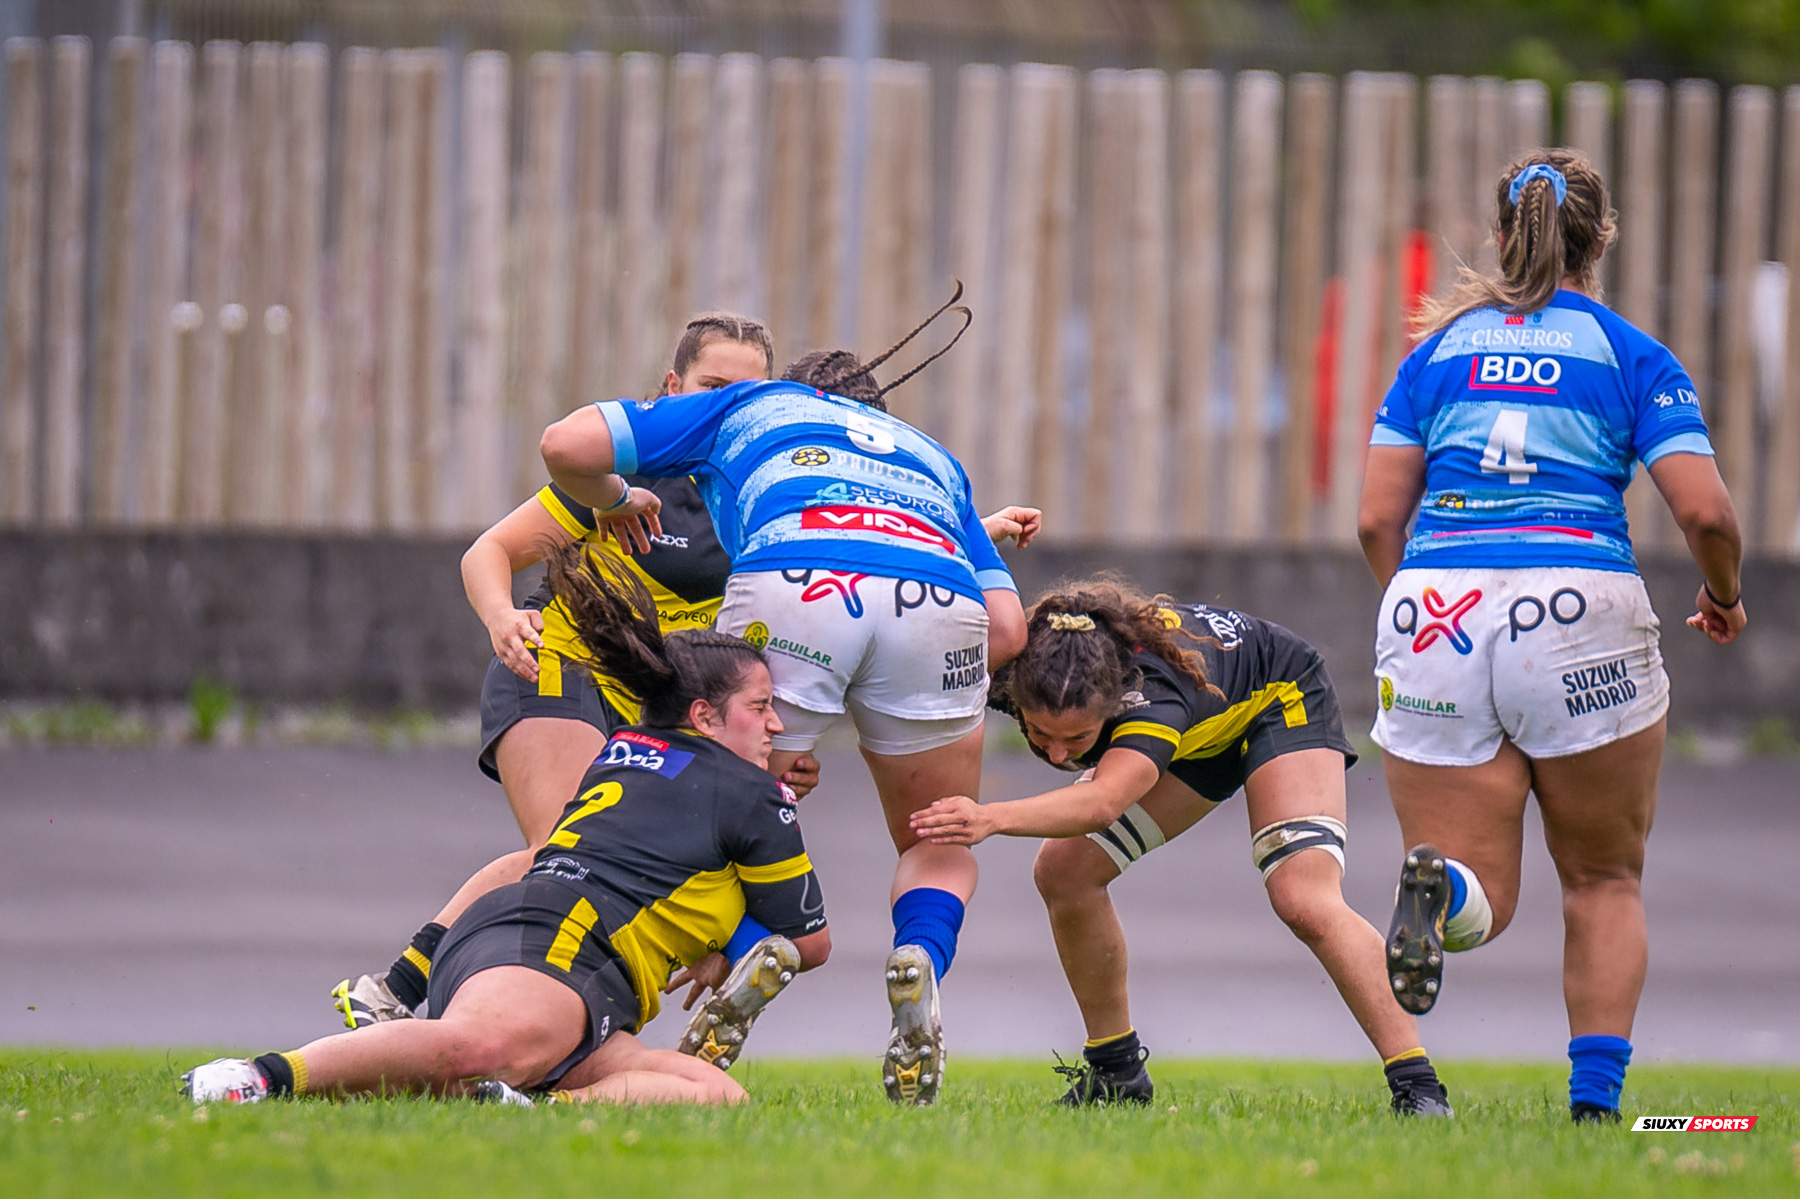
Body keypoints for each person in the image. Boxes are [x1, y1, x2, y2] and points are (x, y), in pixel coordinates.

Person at [538, 291, 1031, 1105]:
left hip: (796, 582)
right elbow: (1006, 629)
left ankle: (744, 942)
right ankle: (918, 956)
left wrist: (618, 499)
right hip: (940, 605)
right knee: (939, 835)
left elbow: (565, 444)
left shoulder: (748, 404)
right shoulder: (933, 455)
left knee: (715, 803)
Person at [1356, 149, 1746, 1124]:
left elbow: (1372, 520)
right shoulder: (1628, 353)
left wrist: (1421, 608)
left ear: (1500, 235)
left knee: (1484, 894)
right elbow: (1706, 514)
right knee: (1604, 877)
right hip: (1579, 603)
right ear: (1601, 239)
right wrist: (1724, 593)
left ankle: (1436, 888)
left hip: (1434, 600)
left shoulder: (1435, 354)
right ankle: (1594, 1107)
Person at [185, 547, 830, 1107]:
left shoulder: (630, 746)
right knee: (476, 1047)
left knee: (716, 1095)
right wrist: (733, 945)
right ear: (703, 715)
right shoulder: (751, 794)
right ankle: (259, 1078)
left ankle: (524, 1102)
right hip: (557, 946)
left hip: (555, 958)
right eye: (761, 707)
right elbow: (813, 941)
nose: (777, 725)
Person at [331, 315, 823, 1042]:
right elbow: (487, 553)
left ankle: (558, 1017)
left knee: (678, 855)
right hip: (553, 665)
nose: (722, 406)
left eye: (745, 394)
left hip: (649, 708)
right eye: (710, 387)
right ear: (672, 389)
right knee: (569, 849)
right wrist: (502, 618)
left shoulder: (769, 496)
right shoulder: (618, 476)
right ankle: (401, 991)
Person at [910, 577, 1453, 1116]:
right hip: (1203, 728)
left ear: (1114, 702)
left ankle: (1420, 1088)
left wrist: (988, 817)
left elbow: (1103, 802)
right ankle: (1116, 1071)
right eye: (1039, 733)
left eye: (1077, 740)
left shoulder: (1152, 698)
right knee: (1065, 871)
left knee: (1303, 897)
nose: (1056, 754)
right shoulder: (1017, 663)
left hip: (1279, 696)